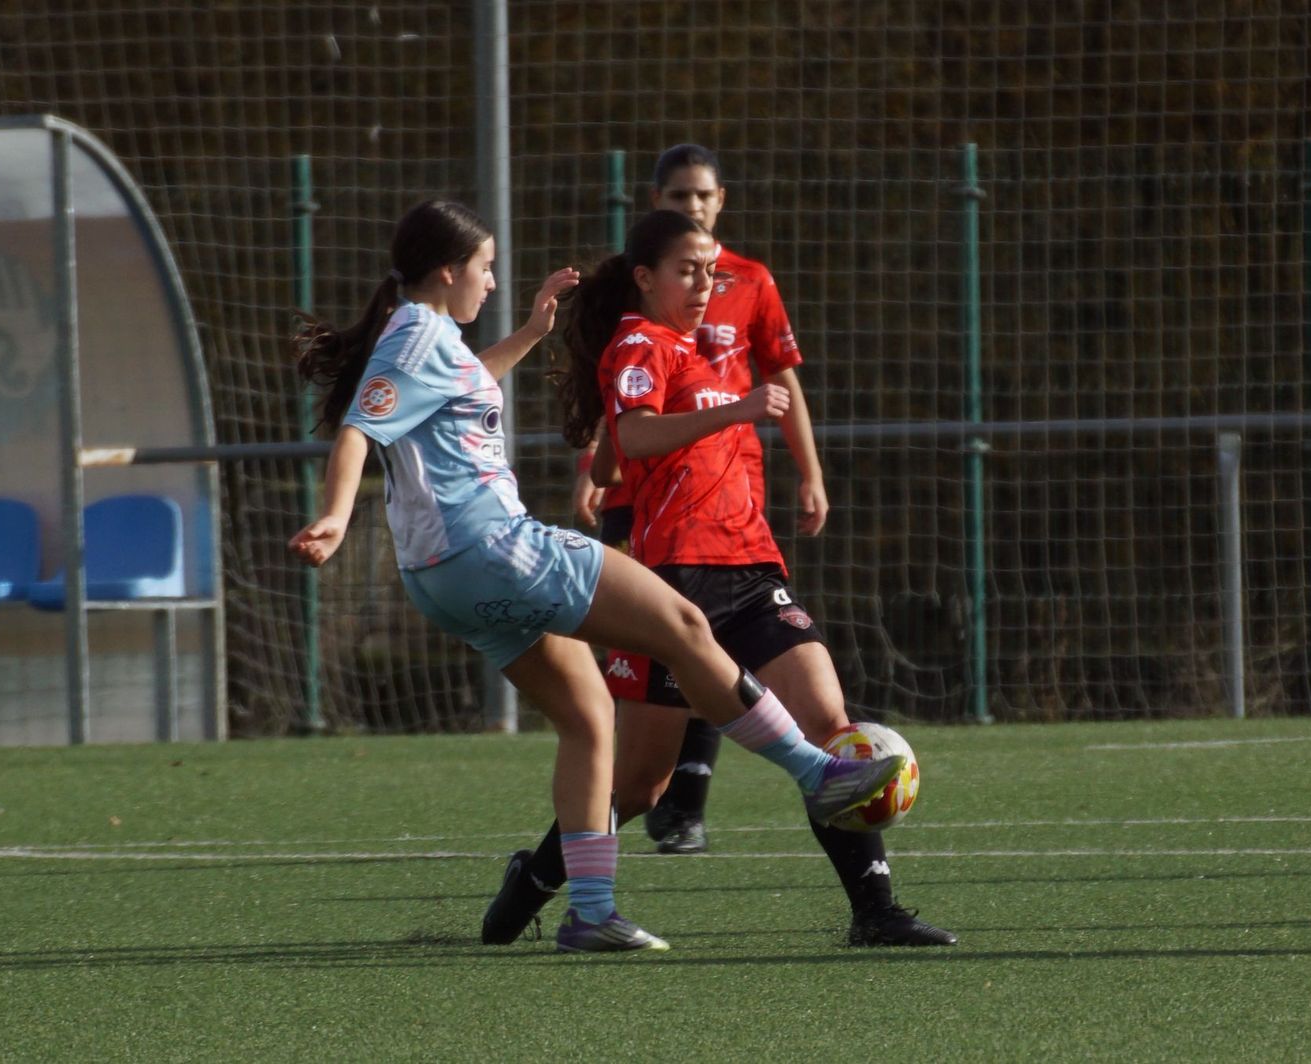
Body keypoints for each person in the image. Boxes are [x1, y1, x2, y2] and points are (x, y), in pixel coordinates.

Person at [287, 200, 904, 955]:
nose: (491, 282)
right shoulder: (416, 331)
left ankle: (589, 909)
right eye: (484, 269)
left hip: (441, 579)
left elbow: (454, 387)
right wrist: (337, 515)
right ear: (447, 272)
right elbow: (361, 424)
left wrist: (531, 336)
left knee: (587, 720)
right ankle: (817, 773)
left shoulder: (430, 338)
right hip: (493, 546)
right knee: (685, 628)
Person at [488, 207, 956, 948]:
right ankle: (537, 881)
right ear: (645, 278)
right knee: (643, 785)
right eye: (687, 269)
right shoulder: (640, 339)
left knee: (831, 731)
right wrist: (724, 412)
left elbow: (624, 447)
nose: (706, 282)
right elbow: (638, 430)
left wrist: (613, 462)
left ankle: (876, 910)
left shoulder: (700, 349)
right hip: (673, 584)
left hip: (751, 570)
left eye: (712, 270)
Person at [570, 144, 827, 857]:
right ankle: (550, 868)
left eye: (702, 196)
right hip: (661, 518)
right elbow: (631, 407)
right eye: (678, 196)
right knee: (642, 767)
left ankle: (874, 904)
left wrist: (809, 468)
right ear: (656, 204)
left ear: (722, 202)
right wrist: (598, 461)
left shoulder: (747, 283)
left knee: (823, 719)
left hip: (737, 524)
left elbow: (778, 382)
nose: (691, 207)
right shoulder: (646, 311)